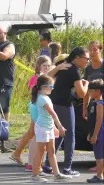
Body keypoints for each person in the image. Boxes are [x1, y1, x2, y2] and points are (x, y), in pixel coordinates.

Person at [43, 47, 90, 177]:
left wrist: (57, 68)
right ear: (77, 58)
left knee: (58, 134)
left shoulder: (64, 65)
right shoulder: (75, 70)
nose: (87, 61)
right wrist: (86, 84)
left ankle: (47, 165)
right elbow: (81, 94)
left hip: (53, 103)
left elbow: (46, 77)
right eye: (86, 59)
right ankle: (67, 168)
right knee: (70, 136)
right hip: (64, 105)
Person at [10, 55, 52, 171]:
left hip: (43, 108)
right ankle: (30, 160)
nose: (47, 68)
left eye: (49, 66)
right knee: (35, 132)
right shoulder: (36, 78)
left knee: (32, 132)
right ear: (39, 66)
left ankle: (19, 154)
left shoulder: (49, 78)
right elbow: (32, 92)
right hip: (36, 107)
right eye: (44, 65)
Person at [30, 74, 71, 183]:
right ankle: (35, 175)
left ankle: (57, 174)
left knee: (51, 151)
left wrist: (54, 127)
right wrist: (60, 127)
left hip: (48, 127)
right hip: (42, 128)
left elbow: (48, 116)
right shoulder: (42, 99)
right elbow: (53, 114)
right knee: (40, 152)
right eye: (51, 86)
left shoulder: (46, 97)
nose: (52, 88)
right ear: (44, 87)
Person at [83, 41, 104, 173]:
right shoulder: (88, 69)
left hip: (102, 104)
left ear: (100, 50)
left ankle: (100, 167)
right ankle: (99, 163)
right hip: (94, 104)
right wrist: (84, 107)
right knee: (96, 133)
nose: (92, 52)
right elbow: (86, 89)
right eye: (90, 50)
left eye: (95, 49)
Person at [86, 79, 104, 183]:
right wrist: (90, 133)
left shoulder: (100, 104)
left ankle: (99, 175)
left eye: (91, 91)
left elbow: (99, 120)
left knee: (99, 155)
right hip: (95, 132)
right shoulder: (94, 102)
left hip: (100, 133)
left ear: (98, 91)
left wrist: (95, 135)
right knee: (99, 154)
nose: (89, 93)